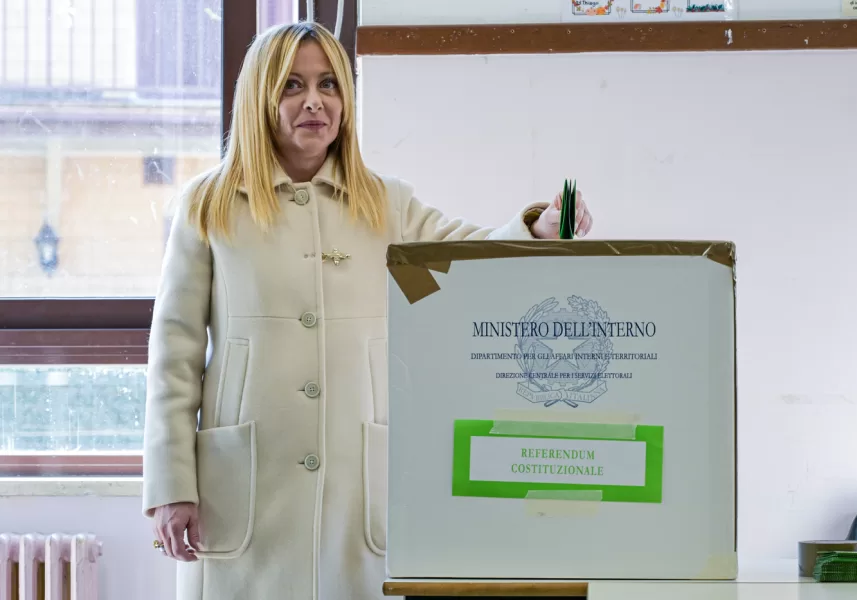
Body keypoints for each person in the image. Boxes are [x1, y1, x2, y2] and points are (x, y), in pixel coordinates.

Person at [142, 20, 594, 600]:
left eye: (330, 84)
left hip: (355, 487)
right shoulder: (208, 205)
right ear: (260, 96)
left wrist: (536, 227)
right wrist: (171, 484)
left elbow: (469, 253)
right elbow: (173, 356)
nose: (315, 101)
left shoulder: (386, 202)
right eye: (292, 85)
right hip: (244, 486)